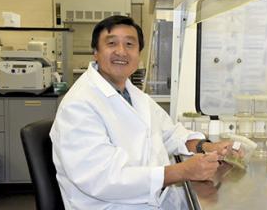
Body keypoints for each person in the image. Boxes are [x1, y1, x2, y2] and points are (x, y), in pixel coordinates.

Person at [50, 15, 232, 210]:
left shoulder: (133, 94)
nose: (121, 51)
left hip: (150, 200)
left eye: (130, 44)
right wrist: (181, 172)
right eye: (112, 43)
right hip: (112, 205)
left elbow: (169, 134)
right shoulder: (79, 105)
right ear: (96, 51)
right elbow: (105, 178)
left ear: (139, 54)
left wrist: (206, 147)